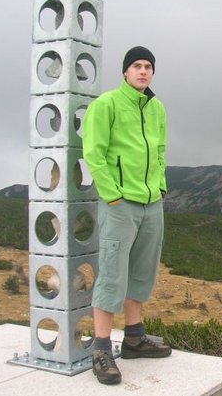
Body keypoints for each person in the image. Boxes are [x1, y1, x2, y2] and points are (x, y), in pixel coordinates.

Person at [83, 46, 171, 385]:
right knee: (112, 275)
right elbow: (94, 152)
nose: (143, 71)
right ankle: (102, 349)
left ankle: (134, 338)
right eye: (137, 65)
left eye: (148, 66)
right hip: (121, 204)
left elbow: (160, 149)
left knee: (142, 272)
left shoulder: (156, 107)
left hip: (151, 203)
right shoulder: (106, 105)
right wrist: (113, 195)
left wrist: (160, 186)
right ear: (125, 71)